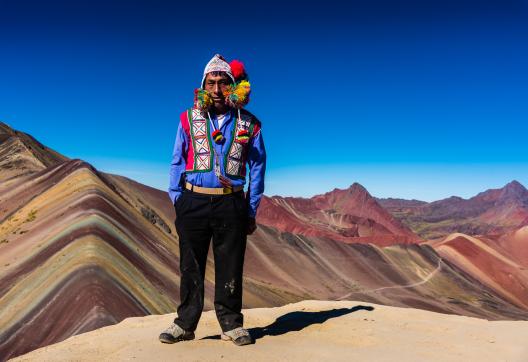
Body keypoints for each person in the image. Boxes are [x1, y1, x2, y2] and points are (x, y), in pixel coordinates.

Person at [159, 54, 266, 346]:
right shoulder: (188, 118)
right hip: (193, 200)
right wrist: (177, 198)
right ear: (203, 85)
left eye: (223, 82)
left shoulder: (250, 124)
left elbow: (257, 170)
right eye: (212, 82)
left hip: (231, 203)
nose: (217, 89)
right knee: (190, 264)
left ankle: (231, 323)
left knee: (231, 263)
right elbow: (176, 160)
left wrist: (250, 210)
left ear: (233, 85)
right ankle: (185, 323)